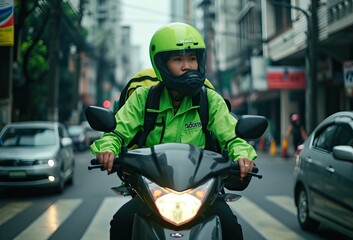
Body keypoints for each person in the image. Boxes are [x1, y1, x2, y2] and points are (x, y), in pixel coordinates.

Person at [90, 22, 257, 240]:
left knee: (232, 228)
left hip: (200, 191)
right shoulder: (143, 99)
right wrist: (108, 150)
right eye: (178, 59)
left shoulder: (210, 100)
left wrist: (243, 155)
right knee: (121, 223)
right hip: (153, 191)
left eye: (192, 58)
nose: (188, 66)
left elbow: (232, 136)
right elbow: (115, 133)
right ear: (162, 64)